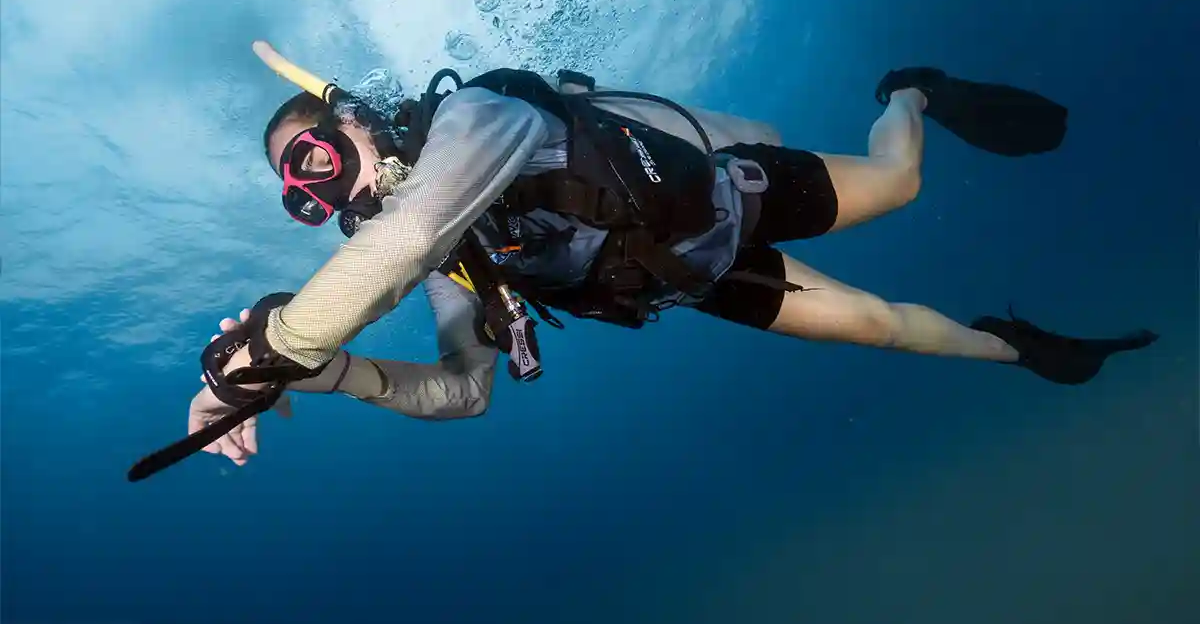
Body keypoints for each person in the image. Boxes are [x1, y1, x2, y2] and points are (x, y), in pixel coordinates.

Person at [137, 43, 1158, 476]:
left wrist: (272, 346)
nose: (327, 196)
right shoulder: (456, 261)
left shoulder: (475, 118)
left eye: (316, 160)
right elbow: (463, 391)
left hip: (738, 189)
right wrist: (329, 371)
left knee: (902, 183)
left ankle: (910, 92)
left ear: (353, 118)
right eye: (301, 199)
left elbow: (404, 234)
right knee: (885, 329)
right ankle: (1018, 348)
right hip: (704, 280)